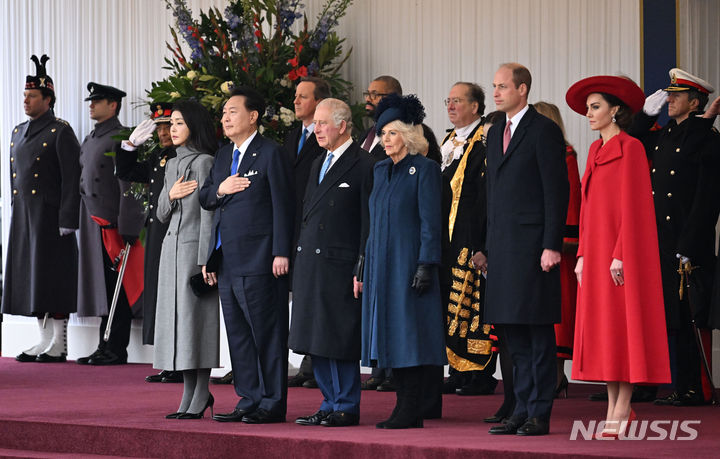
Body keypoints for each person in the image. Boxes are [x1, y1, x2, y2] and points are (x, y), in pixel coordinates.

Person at [565, 75, 672, 438]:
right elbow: (588, 208)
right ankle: (615, 405)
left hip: (620, 255)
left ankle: (622, 407)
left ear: (615, 111)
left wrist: (620, 255)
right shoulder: (594, 151)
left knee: (623, 328)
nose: (589, 114)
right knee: (605, 330)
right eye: (588, 108)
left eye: (595, 107)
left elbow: (636, 208)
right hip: (594, 254)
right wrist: (581, 254)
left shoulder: (632, 148)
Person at [483, 63, 568, 437]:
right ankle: (518, 408)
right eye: (494, 87)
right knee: (511, 333)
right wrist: (486, 247)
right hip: (502, 249)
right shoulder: (495, 131)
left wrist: (551, 244)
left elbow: (556, 191)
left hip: (533, 249)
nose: (496, 93)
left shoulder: (543, 130)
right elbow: (492, 196)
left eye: (502, 87)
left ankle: (538, 412)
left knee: (536, 333)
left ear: (522, 89)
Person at [199, 86, 293, 424]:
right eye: (223, 113)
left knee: (266, 333)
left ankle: (272, 401)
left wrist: (281, 251)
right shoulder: (224, 155)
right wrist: (212, 256)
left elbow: (284, 205)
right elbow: (208, 198)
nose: (225, 118)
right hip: (227, 260)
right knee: (238, 334)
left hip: (261, 259)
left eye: (232, 112)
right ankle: (249, 398)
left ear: (253, 117)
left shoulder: (271, 153)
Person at [628, 69, 720, 407]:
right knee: (665, 316)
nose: (668, 101)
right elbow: (633, 140)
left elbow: (707, 200)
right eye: (668, 95)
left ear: (694, 103)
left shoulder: (706, 139)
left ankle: (694, 388)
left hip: (686, 244)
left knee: (687, 317)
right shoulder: (665, 134)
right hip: (660, 241)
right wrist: (645, 115)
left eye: (675, 96)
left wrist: (688, 246)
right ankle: (669, 384)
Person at [357, 93, 447, 429]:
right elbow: (372, 220)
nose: (385, 140)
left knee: (409, 336)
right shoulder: (380, 170)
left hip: (409, 265)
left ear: (407, 135)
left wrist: (426, 263)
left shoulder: (424, 170)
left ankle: (411, 408)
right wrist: (363, 260)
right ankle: (402, 406)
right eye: (381, 134)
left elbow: (430, 222)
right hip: (381, 265)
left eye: (391, 133)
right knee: (389, 334)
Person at [289, 98, 376, 427]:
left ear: (342, 126)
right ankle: (328, 402)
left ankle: (345, 405)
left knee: (338, 338)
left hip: (341, 266)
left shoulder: (364, 163)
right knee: (316, 339)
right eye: (317, 123)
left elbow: (369, 223)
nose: (318, 129)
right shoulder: (317, 163)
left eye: (324, 123)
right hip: (312, 264)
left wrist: (362, 266)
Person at [3, 55, 80, 363]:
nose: (26, 100)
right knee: (32, 277)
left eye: (32, 95)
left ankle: (60, 343)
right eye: (24, 95)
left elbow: (73, 178)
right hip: (25, 215)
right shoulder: (18, 130)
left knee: (53, 277)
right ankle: (43, 338)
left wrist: (68, 218)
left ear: (48, 99)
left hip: (51, 216)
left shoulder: (60, 131)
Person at [154, 100, 219, 419]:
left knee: (197, 323)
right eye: (171, 124)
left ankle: (201, 392)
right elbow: (160, 214)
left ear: (194, 125)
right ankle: (189, 394)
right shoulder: (170, 165)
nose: (172, 129)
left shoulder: (205, 162)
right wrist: (171, 195)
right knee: (177, 325)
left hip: (195, 252)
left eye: (179, 123)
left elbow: (209, 212)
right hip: (171, 251)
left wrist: (207, 257)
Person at [76, 82, 146, 366]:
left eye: (98, 100)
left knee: (119, 285)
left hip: (114, 223)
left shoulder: (123, 137)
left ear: (113, 105)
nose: (91, 105)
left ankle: (116, 347)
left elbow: (129, 185)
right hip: (93, 221)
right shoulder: (91, 137)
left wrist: (128, 224)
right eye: (91, 101)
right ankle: (103, 344)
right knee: (103, 286)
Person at [116, 102, 182, 383]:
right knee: (159, 296)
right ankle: (168, 361)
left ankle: (181, 363)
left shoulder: (186, 156)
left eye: (169, 125)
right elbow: (128, 173)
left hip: (176, 233)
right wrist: (130, 146)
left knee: (175, 298)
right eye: (160, 127)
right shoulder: (161, 157)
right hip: (158, 234)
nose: (164, 132)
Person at [440, 82, 497, 397]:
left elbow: (483, 197)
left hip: (471, 236)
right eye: (448, 100)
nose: (450, 106)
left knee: (474, 307)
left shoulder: (485, 139)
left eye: (457, 101)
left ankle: (480, 373)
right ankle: (456, 370)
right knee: (452, 306)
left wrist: (481, 244)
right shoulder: (449, 139)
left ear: (476, 106)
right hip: (448, 238)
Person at [282, 76, 331, 389]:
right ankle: (305, 359)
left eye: (303, 96)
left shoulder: (327, 136)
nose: (296, 101)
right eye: (296, 96)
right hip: (292, 224)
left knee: (317, 291)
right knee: (299, 291)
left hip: (317, 226)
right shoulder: (290, 135)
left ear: (319, 101)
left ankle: (316, 360)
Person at [533, 101, 582, 398]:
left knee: (558, 313)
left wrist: (560, 240)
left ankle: (557, 375)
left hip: (555, 246)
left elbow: (570, 199)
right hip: (533, 242)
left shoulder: (565, 155)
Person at [359, 75, 404, 392]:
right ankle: (379, 365)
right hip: (370, 224)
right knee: (375, 300)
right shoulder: (368, 135)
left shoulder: (405, 134)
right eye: (369, 93)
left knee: (392, 301)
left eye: (377, 94)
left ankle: (392, 368)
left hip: (394, 231)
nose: (369, 98)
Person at [359, 75, 403, 162]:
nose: (368, 99)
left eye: (374, 94)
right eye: (367, 94)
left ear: (392, 98)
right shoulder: (365, 134)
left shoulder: (402, 134)